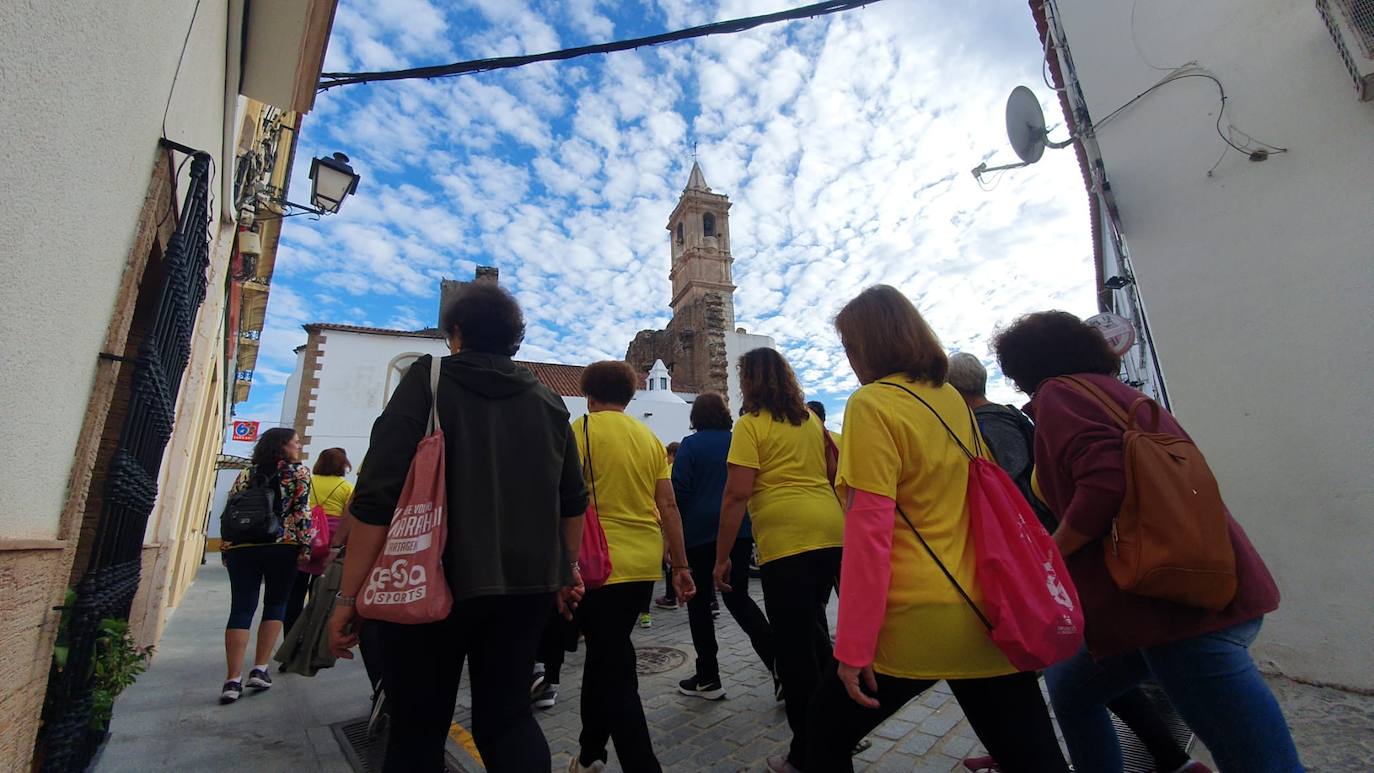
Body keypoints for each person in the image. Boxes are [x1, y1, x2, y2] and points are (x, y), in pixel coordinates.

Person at [992, 310, 1302, 773]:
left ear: (1025, 366)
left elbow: (1105, 481)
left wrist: (1052, 553)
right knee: (1071, 689)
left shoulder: (1060, 395)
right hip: (1180, 591)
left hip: (1174, 613)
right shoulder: (1114, 393)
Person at [804, 286, 1070, 773]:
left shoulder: (872, 404)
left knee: (821, 738)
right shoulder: (949, 398)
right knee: (1032, 757)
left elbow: (870, 530)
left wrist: (854, 644)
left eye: (848, 345)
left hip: (917, 614)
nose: (848, 357)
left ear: (868, 344)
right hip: (986, 605)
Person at [329, 282, 589, 773]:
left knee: (417, 729)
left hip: (429, 581)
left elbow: (376, 498)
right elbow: (573, 501)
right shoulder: (549, 401)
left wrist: (348, 597)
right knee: (509, 719)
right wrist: (567, 568)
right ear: (515, 340)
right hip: (525, 586)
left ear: (456, 333)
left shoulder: (426, 381)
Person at [946, 353, 1206, 773]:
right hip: (1042, 552)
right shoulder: (1006, 417)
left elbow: (1006, 491)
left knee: (1068, 668)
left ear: (955, 390)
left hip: (1035, 557)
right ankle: (1023, 751)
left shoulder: (989, 424)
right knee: (1071, 670)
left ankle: (1164, 758)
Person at [714, 348, 844, 773]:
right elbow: (832, 474)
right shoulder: (812, 422)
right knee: (815, 635)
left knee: (794, 653)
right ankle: (836, 734)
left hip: (786, 539)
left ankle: (806, 753)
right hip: (830, 532)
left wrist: (721, 557)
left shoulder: (750, 425)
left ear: (748, 381)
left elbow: (737, 494)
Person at [570, 360, 696, 773]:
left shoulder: (580, 430)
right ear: (628, 396)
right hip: (643, 562)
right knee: (605, 655)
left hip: (599, 563)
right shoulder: (649, 439)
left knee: (614, 667)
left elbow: (565, 501)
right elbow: (668, 504)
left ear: (589, 395)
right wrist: (681, 565)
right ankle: (590, 753)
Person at [672, 392, 775, 700]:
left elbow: (679, 492)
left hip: (699, 534)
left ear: (696, 417)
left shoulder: (690, 446)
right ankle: (778, 664)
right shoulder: (737, 441)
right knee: (738, 597)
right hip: (738, 531)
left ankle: (708, 677)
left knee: (699, 604)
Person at [220, 428, 313, 704]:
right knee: (276, 605)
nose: (299, 446)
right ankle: (260, 669)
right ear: (283, 445)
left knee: (241, 608)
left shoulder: (247, 473)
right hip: (282, 545)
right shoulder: (298, 473)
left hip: (242, 546)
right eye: (295, 442)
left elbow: (230, 508)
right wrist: (305, 546)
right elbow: (301, 511)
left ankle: (232, 679)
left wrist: (226, 546)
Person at [283, 448, 354, 634]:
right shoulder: (346, 487)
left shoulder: (309, 480)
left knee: (295, 592)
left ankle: (290, 633)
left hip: (306, 536)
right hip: (330, 541)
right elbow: (350, 515)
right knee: (320, 592)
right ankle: (311, 633)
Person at [649, 442, 684, 617]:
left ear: (671, 454)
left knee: (670, 560)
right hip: (684, 520)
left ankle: (670, 597)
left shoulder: (670, 469)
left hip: (666, 521)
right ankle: (712, 601)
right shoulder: (682, 468)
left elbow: (666, 501)